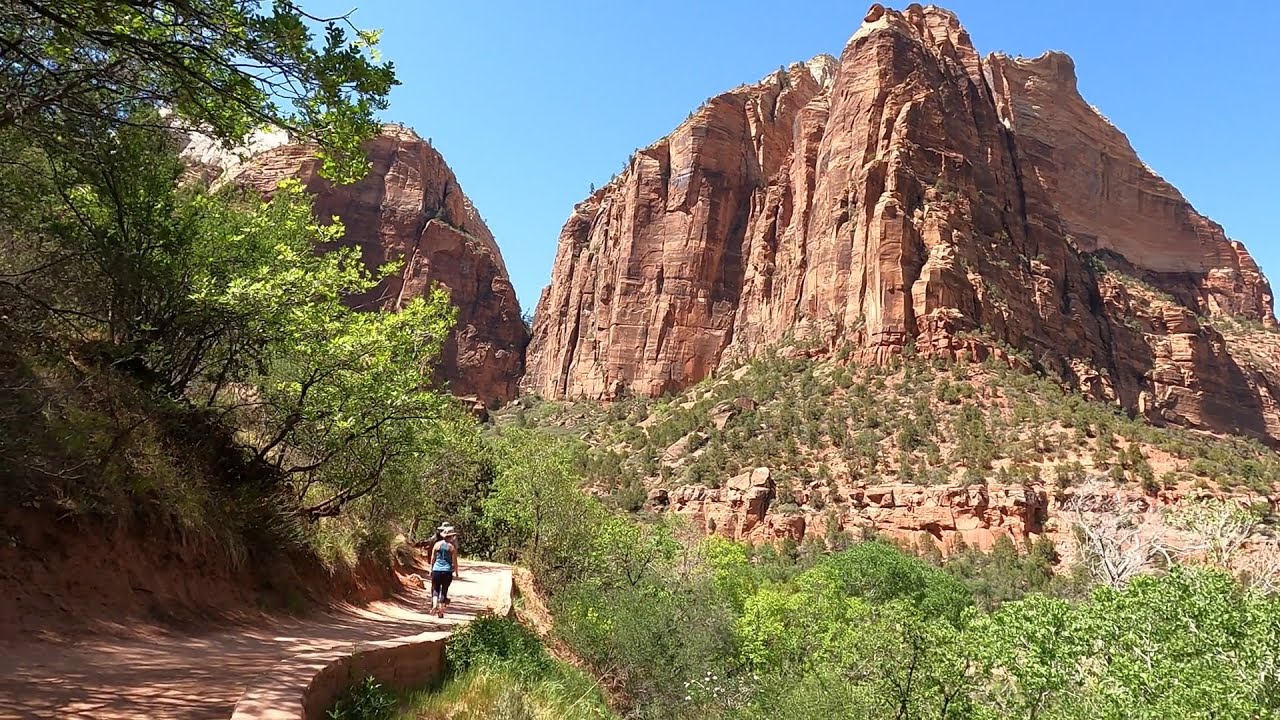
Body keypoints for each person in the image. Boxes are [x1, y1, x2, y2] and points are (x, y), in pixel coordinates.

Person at [429, 524, 459, 618]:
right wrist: (457, 572)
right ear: (451, 537)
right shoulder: (451, 547)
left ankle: (434, 605)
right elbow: (455, 561)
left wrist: (431, 569)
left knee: (435, 589)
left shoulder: (437, 545)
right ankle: (441, 611)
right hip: (447, 571)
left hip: (436, 570)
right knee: (444, 590)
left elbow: (433, 558)